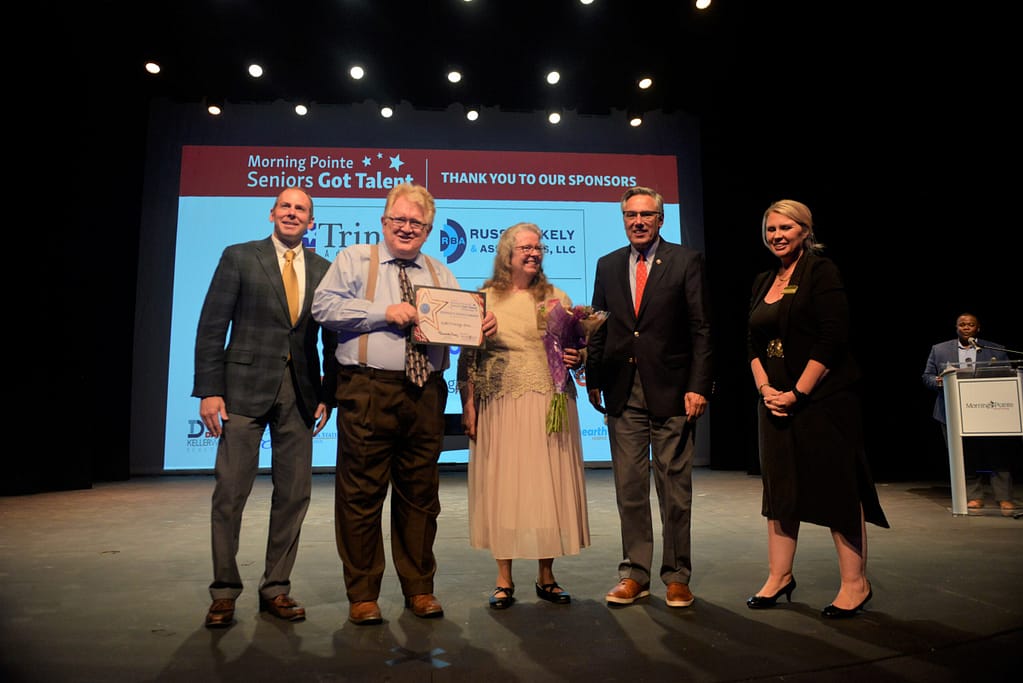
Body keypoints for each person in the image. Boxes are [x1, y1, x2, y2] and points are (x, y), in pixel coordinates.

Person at [311, 183, 498, 626]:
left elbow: (456, 327)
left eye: (417, 223)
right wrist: (382, 313)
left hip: (425, 392)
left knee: (420, 496)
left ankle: (419, 589)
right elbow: (323, 307)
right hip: (367, 389)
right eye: (400, 220)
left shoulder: (438, 271)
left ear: (429, 229)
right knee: (360, 495)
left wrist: (479, 326)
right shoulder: (354, 259)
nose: (407, 228)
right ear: (384, 221)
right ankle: (363, 594)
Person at [193, 187, 339, 629]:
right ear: (272, 213)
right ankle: (223, 592)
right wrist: (209, 390)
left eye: (302, 209)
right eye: (287, 206)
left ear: (311, 222)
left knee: (295, 494)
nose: (293, 213)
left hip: (300, 395)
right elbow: (212, 325)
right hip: (240, 392)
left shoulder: (324, 270)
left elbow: (330, 342)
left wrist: (327, 395)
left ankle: (276, 588)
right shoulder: (239, 256)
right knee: (230, 493)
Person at [746, 199, 889, 619]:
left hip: (823, 402)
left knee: (837, 491)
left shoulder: (821, 272)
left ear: (805, 230)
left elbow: (832, 338)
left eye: (786, 228)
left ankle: (854, 584)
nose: (777, 236)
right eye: (770, 229)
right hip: (774, 401)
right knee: (779, 491)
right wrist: (767, 389)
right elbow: (751, 343)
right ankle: (779, 576)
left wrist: (798, 393)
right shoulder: (762, 280)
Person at [585, 186, 713, 609]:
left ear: (660, 220)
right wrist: (594, 375)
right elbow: (599, 325)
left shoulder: (685, 261)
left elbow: (700, 329)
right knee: (630, 488)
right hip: (623, 391)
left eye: (645, 215)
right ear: (623, 220)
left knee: (674, 489)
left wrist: (698, 385)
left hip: (674, 391)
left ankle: (677, 576)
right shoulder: (607, 265)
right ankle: (635, 575)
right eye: (630, 215)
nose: (637, 222)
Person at [458, 223, 590, 610]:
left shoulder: (556, 296)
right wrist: (469, 405)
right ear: (507, 254)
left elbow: (577, 350)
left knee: (546, 486)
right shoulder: (484, 298)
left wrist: (577, 357)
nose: (533, 253)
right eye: (525, 248)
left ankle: (546, 575)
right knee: (506, 488)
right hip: (501, 402)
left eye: (538, 247)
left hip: (550, 402)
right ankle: (503, 578)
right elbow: (467, 359)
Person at [922, 312, 1015, 512]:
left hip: (989, 410)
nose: (966, 327)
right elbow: (927, 375)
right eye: (962, 324)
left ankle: (1004, 496)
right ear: (957, 327)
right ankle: (974, 496)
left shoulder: (995, 350)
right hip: (953, 411)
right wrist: (937, 381)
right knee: (966, 455)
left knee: (997, 454)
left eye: (970, 324)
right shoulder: (940, 350)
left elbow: (1007, 373)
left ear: (977, 328)